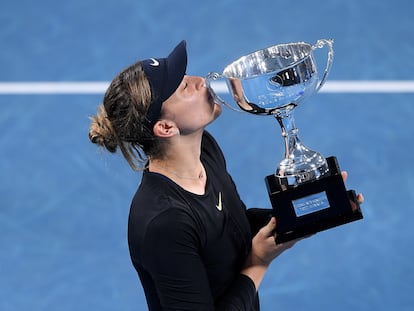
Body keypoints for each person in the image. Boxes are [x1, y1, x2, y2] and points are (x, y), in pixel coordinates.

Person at [88, 40, 364, 311]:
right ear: (165, 127)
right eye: (185, 87)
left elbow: (228, 226)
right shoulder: (165, 222)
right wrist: (258, 261)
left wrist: (308, 212)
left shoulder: (204, 151)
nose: (200, 81)